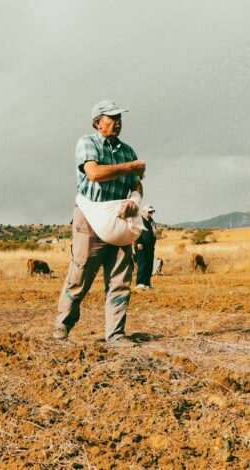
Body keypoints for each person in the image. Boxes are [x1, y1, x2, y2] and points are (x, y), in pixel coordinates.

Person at [53, 99, 146, 348]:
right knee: (81, 273)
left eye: (119, 118)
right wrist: (130, 167)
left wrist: (135, 200)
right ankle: (63, 324)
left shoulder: (127, 151)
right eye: (111, 117)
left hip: (118, 218)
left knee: (120, 277)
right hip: (90, 218)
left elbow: (137, 183)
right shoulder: (87, 143)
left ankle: (116, 335)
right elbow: (94, 173)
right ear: (97, 122)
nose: (117, 122)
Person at [135, 204, 157, 289]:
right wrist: (138, 242)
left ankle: (147, 283)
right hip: (141, 246)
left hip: (150, 247)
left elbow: (154, 234)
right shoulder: (139, 220)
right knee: (142, 264)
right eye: (149, 212)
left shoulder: (152, 222)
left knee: (149, 264)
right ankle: (140, 283)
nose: (151, 214)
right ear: (144, 212)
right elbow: (136, 232)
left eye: (152, 212)